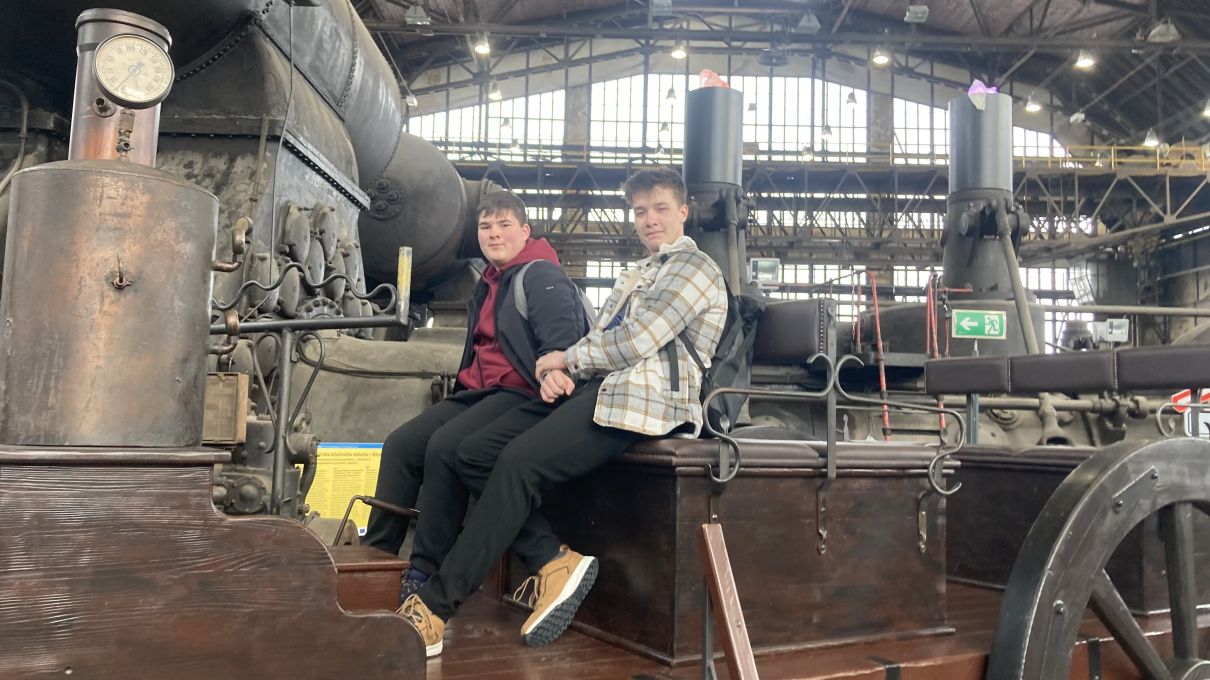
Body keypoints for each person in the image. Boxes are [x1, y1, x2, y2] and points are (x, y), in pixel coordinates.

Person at [399, 167, 728, 658]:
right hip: (601, 389)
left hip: (645, 401)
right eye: (640, 211)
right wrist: (564, 372)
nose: (649, 220)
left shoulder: (693, 268)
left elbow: (639, 339)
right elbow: (600, 337)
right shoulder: (640, 272)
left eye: (660, 209)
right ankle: (552, 561)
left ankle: (435, 607)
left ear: (683, 211)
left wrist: (566, 359)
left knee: (518, 463)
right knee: (471, 453)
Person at [363, 191, 589, 596]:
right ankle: (376, 560)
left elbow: (562, 341)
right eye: (485, 227)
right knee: (401, 445)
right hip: (478, 392)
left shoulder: (541, 274)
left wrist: (554, 370)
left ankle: (424, 570)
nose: (494, 234)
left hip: (521, 391)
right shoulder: (487, 284)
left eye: (504, 225)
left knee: (446, 447)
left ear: (525, 231)